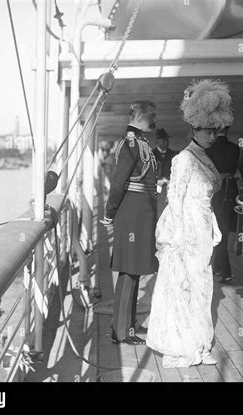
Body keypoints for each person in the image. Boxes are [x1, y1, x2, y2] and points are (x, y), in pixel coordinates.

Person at [147, 79, 233, 368]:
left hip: (204, 229)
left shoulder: (204, 157)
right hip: (189, 233)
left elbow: (211, 193)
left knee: (204, 288)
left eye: (215, 130)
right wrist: (179, 236)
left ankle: (201, 343)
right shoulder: (184, 159)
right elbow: (175, 197)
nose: (213, 135)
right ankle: (185, 345)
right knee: (186, 288)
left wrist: (211, 227)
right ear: (194, 130)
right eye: (208, 131)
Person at [102, 100, 158, 345]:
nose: (153, 121)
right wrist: (109, 214)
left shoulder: (141, 143)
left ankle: (128, 327)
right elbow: (118, 184)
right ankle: (120, 331)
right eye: (149, 117)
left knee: (134, 272)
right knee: (128, 273)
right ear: (136, 116)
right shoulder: (130, 144)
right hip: (131, 215)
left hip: (141, 214)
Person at [206, 126, 243, 284]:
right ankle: (218, 267)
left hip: (213, 192)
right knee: (224, 232)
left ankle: (224, 270)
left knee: (216, 231)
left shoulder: (208, 148)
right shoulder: (236, 149)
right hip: (230, 192)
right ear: (227, 130)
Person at [152, 128, 178, 217]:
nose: (166, 143)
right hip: (155, 185)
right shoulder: (151, 155)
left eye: (166, 140)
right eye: (163, 141)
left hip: (170, 185)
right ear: (157, 142)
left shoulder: (174, 155)